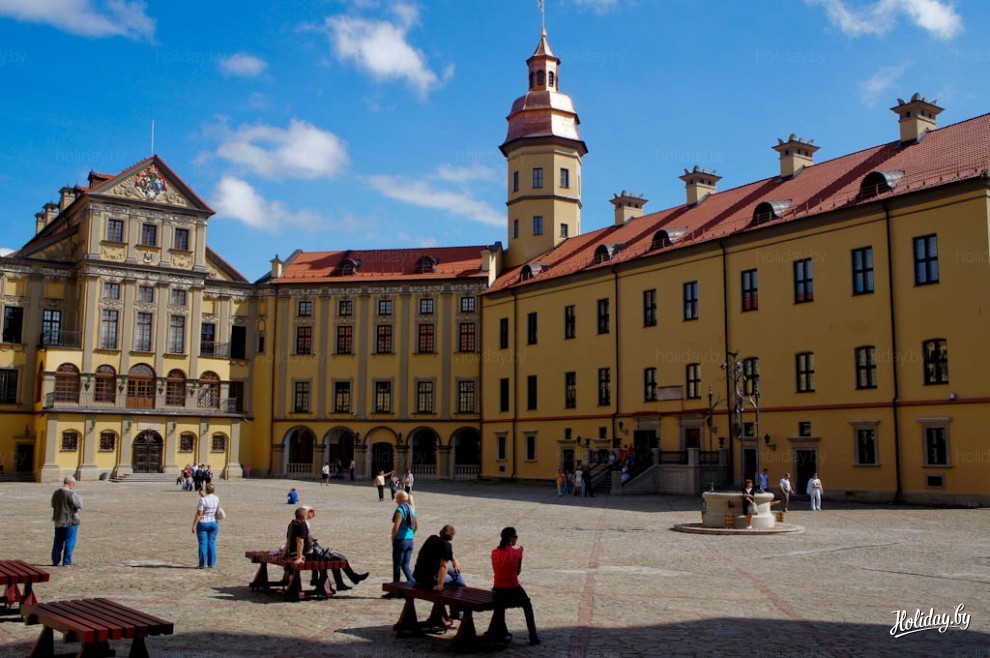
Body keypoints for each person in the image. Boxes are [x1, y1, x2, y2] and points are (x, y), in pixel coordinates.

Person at [282, 506, 368, 591]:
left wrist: (283, 554)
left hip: (306, 552)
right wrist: (300, 557)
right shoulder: (302, 524)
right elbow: (300, 542)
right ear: (304, 516)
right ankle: (354, 578)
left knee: (335, 558)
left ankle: (341, 584)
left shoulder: (292, 524)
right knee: (341, 558)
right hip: (312, 554)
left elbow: (288, 542)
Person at [486, 527, 540, 646]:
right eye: (515, 537)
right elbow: (517, 572)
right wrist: (520, 555)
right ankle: (533, 635)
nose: (516, 539)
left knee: (499, 606)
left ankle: (497, 632)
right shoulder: (517, 553)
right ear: (510, 538)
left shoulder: (494, 552)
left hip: (498, 589)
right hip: (513, 588)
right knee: (527, 604)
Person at [413, 524, 465, 590]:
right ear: (451, 538)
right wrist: (440, 585)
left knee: (454, 571)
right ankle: (463, 591)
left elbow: (448, 554)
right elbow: (443, 567)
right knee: (457, 576)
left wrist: (454, 560)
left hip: (418, 574)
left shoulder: (432, 538)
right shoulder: (446, 546)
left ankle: (463, 589)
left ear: (440, 532)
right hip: (428, 580)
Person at [389, 491, 418, 590]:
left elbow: (396, 527)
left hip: (400, 541)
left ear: (401, 499)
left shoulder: (400, 510)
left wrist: (393, 537)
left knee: (397, 567)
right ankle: (415, 585)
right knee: (405, 566)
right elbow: (416, 526)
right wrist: (410, 534)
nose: (396, 501)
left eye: (397, 499)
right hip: (410, 541)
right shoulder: (411, 509)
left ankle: (395, 589)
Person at [51, 476, 82, 567]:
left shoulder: (56, 493)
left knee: (57, 541)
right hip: (70, 521)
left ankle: (55, 560)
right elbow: (79, 504)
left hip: (58, 520)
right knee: (69, 541)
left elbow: (53, 504)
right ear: (71, 483)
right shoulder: (71, 494)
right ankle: (67, 562)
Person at [192, 483, 220, 568]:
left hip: (203, 522)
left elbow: (199, 513)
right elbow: (217, 509)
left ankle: (202, 564)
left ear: (206, 490)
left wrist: (194, 525)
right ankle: (211, 563)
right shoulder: (216, 498)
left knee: (203, 543)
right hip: (213, 522)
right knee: (211, 543)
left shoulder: (203, 500)